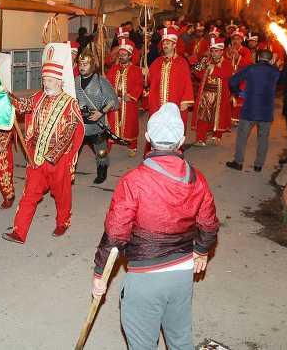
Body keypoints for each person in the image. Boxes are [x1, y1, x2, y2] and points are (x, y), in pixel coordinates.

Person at [91, 103, 219, 350]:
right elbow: (209, 224)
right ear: (181, 141)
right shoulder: (197, 178)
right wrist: (201, 250)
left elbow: (115, 235)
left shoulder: (133, 181)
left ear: (148, 138)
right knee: (180, 340)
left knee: (142, 344)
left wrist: (100, 275)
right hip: (182, 274)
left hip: (145, 278)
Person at [4, 57, 84, 243]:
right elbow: (23, 106)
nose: (45, 83)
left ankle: (63, 222)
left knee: (62, 194)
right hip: (36, 156)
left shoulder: (70, 103)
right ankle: (19, 231)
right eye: (44, 80)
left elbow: (74, 131)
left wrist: (55, 155)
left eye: (49, 80)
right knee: (29, 194)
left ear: (58, 81)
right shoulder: (39, 96)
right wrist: (6, 95)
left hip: (59, 159)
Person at [226, 50, 280, 172]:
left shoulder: (250, 68)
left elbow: (232, 81)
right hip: (266, 110)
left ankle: (238, 162)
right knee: (263, 138)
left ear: (257, 57)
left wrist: (239, 92)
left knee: (242, 136)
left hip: (250, 108)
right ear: (270, 59)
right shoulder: (275, 71)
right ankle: (258, 165)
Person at [75, 50, 119, 184]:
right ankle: (69, 171)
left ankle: (102, 171)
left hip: (96, 125)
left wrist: (101, 112)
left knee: (101, 152)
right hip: (80, 124)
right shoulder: (75, 81)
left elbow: (113, 101)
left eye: (85, 64)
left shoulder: (101, 82)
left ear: (92, 65)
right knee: (72, 151)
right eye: (80, 64)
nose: (82, 67)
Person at [146, 27, 194, 131]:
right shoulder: (157, 62)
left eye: (168, 43)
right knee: (157, 132)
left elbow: (187, 83)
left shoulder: (182, 62)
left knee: (174, 131)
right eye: (164, 43)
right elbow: (150, 80)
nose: (165, 45)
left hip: (175, 103)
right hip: (157, 103)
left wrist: (186, 101)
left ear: (174, 45)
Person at [192, 37, 234, 146]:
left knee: (219, 116)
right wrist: (198, 67)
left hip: (220, 95)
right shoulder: (207, 61)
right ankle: (201, 138)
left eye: (216, 51)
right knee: (203, 116)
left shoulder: (227, 63)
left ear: (221, 51)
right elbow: (199, 75)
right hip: (206, 94)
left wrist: (212, 69)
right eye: (212, 51)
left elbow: (227, 74)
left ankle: (216, 136)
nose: (214, 53)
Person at [107, 38, 144, 157]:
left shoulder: (136, 70)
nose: (122, 56)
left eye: (124, 54)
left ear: (130, 55)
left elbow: (139, 85)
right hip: (114, 102)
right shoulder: (114, 68)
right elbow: (107, 83)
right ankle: (108, 145)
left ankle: (132, 146)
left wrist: (132, 95)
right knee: (111, 124)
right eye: (120, 54)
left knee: (130, 125)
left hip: (128, 102)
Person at [226, 30, 253, 125]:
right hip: (229, 77)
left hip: (242, 78)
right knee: (227, 98)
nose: (236, 41)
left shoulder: (246, 50)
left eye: (238, 39)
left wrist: (238, 56)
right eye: (234, 39)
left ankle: (237, 119)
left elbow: (248, 64)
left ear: (241, 40)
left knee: (239, 98)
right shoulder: (228, 50)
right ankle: (227, 118)